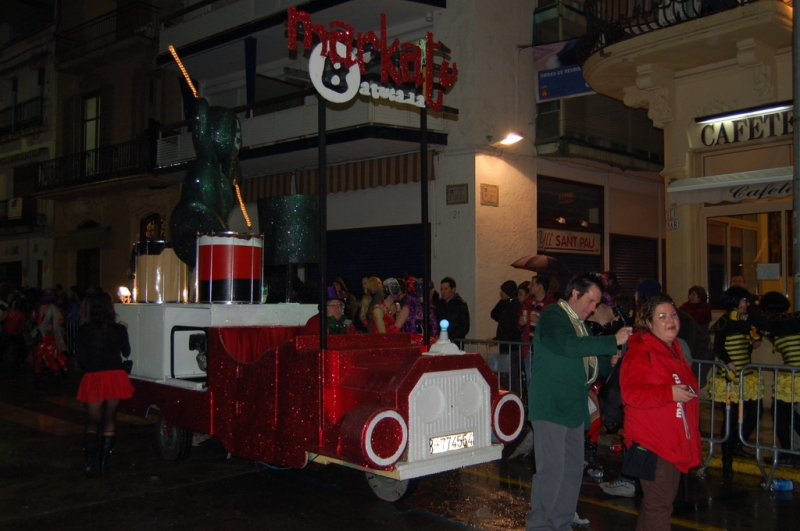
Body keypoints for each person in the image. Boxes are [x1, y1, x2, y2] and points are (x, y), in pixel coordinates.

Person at [525, 272, 632, 531]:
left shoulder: (579, 324)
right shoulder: (554, 315)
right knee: (552, 471)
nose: (593, 308)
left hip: (573, 407)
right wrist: (612, 341)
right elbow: (568, 346)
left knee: (572, 471)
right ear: (575, 293)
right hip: (551, 406)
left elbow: (586, 363)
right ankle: (540, 527)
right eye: (590, 301)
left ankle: (561, 523)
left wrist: (610, 361)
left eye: (596, 303)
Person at [620, 294, 701, 531]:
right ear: (648, 322)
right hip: (652, 442)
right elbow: (631, 393)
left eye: (673, 315)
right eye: (662, 316)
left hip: (672, 440)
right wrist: (669, 393)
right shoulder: (641, 351)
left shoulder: (674, 349)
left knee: (657, 504)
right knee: (659, 504)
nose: (670, 320)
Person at [75, 292, 135, 478]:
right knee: (110, 419)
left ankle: (88, 464)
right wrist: (124, 330)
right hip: (115, 377)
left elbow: (80, 359)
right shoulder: (119, 329)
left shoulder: (84, 330)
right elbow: (126, 352)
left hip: (94, 377)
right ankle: (103, 465)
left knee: (92, 421)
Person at [711, 286, 768, 476]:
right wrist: (729, 362)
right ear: (735, 301)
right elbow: (718, 346)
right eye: (744, 300)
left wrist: (751, 341)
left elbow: (749, 344)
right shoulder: (725, 321)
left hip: (747, 375)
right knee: (730, 417)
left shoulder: (744, 321)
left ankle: (736, 443)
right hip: (731, 378)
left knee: (756, 411)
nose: (747, 304)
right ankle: (727, 458)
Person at [757, 292, 800, 466]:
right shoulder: (793, 319)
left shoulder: (774, 323)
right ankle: (789, 452)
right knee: (786, 412)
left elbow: (758, 323)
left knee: (780, 412)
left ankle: (788, 453)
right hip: (794, 373)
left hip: (794, 375)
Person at [32, 289, 69, 383]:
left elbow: (39, 321)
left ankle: (38, 373)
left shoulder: (42, 307)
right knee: (52, 353)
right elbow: (62, 321)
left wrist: (35, 318)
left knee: (38, 354)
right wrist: (54, 323)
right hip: (54, 334)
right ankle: (58, 372)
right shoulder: (56, 308)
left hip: (44, 334)